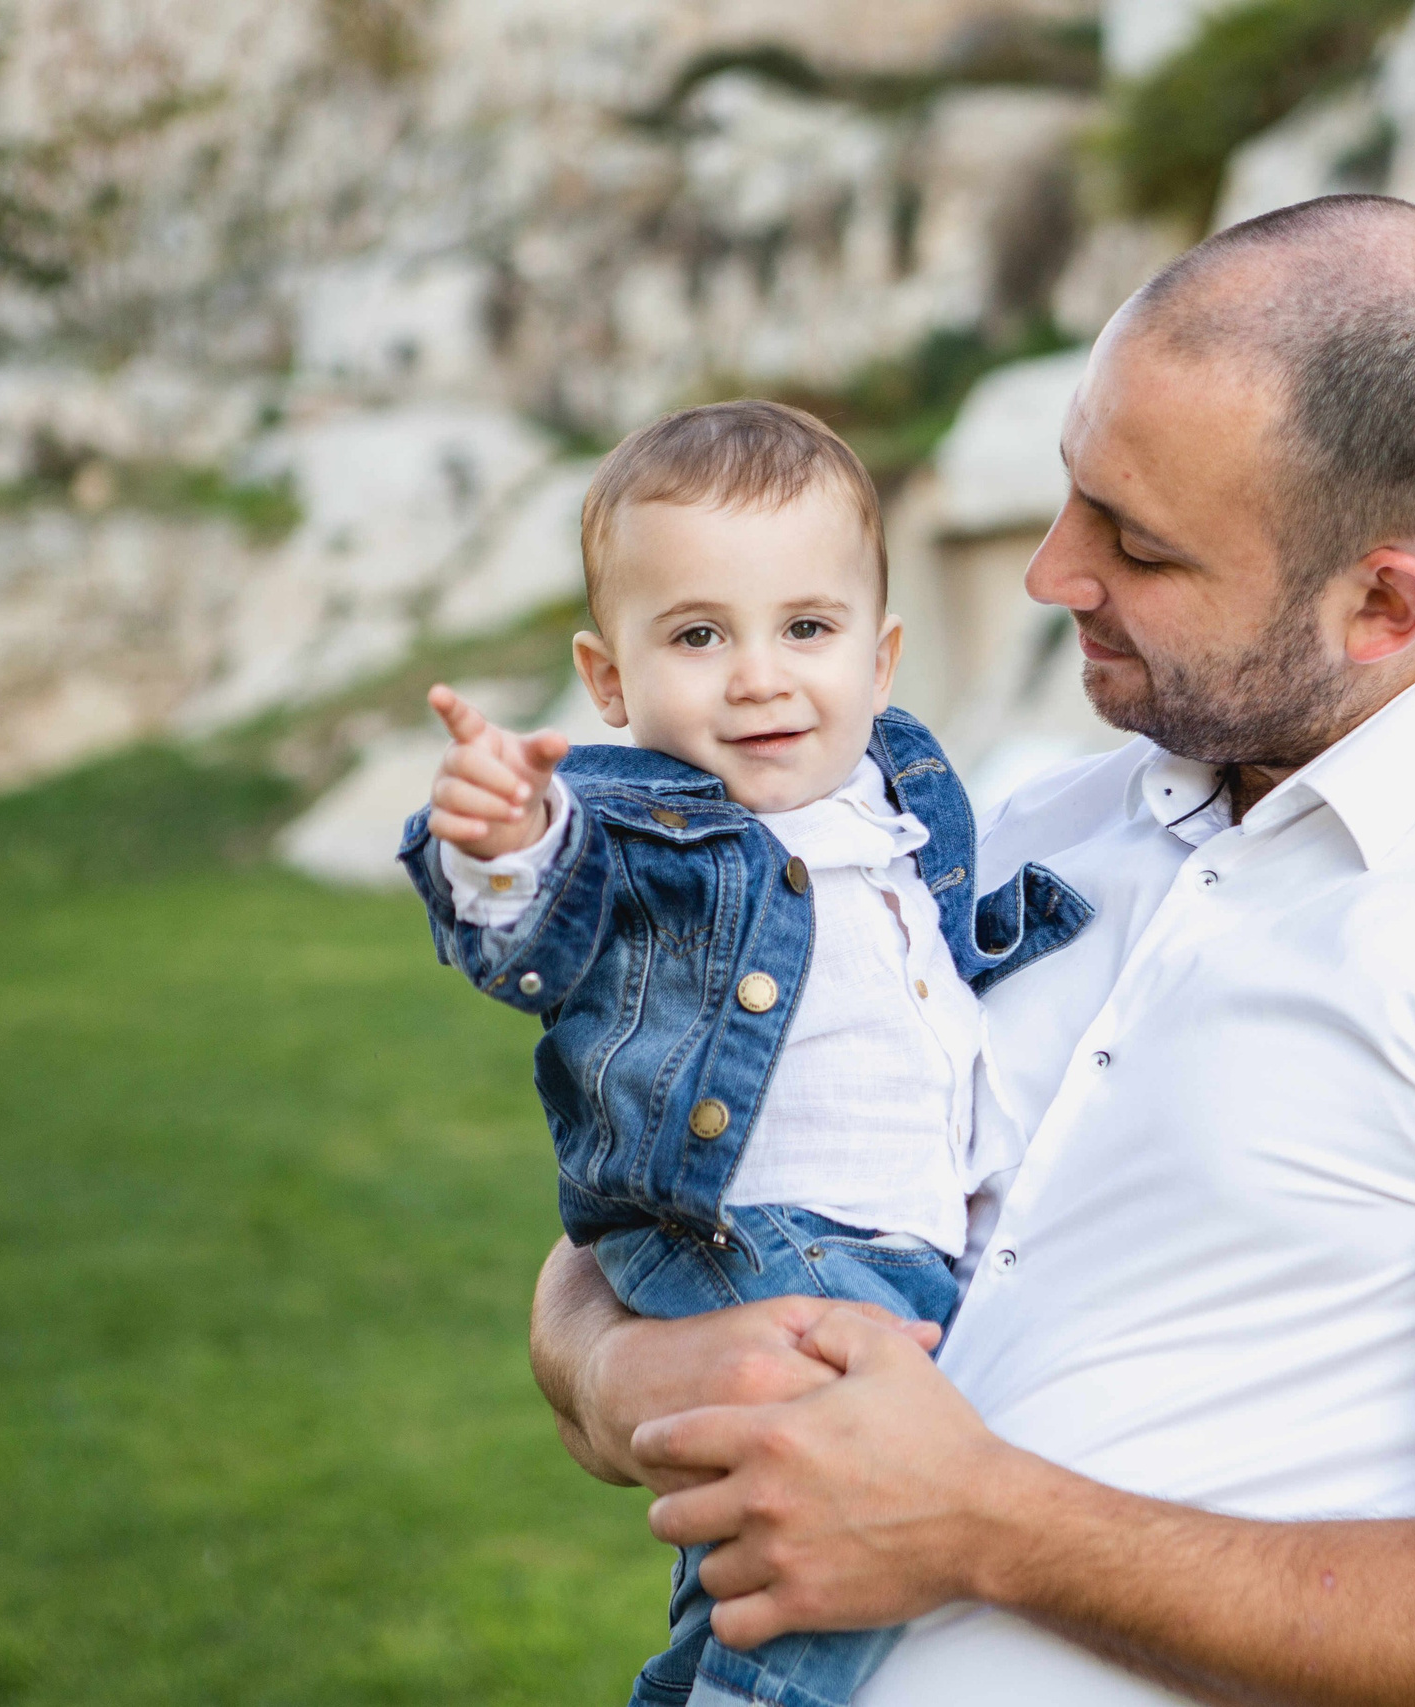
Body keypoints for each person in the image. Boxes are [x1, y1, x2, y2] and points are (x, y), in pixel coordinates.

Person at [529, 195, 1415, 1707]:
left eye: (1139, 547)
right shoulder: (1015, 833)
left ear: (1383, 602)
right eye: (1073, 492)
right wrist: (618, 1368)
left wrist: (981, 1531)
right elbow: (646, 1212)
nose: (1049, 572)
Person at [396, 400, 1089, 1707]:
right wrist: (500, 839)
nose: (760, 674)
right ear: (610, 683)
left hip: (877, 1236)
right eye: (700, 635)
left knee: (766, 1535)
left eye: (807, 630)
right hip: (745, 1225)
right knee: (885, 1461)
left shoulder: (896, 798)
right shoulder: (650, 823)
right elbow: (544, 907)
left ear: (882, 659)